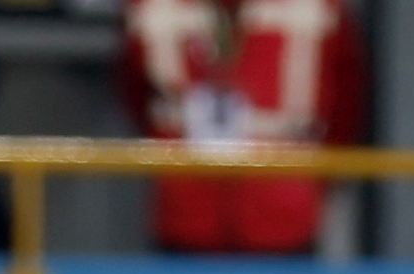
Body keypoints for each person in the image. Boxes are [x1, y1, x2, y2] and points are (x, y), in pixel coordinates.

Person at [118, 0, 367, 255]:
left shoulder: (320, 7)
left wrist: (314, 185)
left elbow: (344, 104)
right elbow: (136, 93)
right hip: (186, 215)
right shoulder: (150, 7)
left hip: (283, 218)